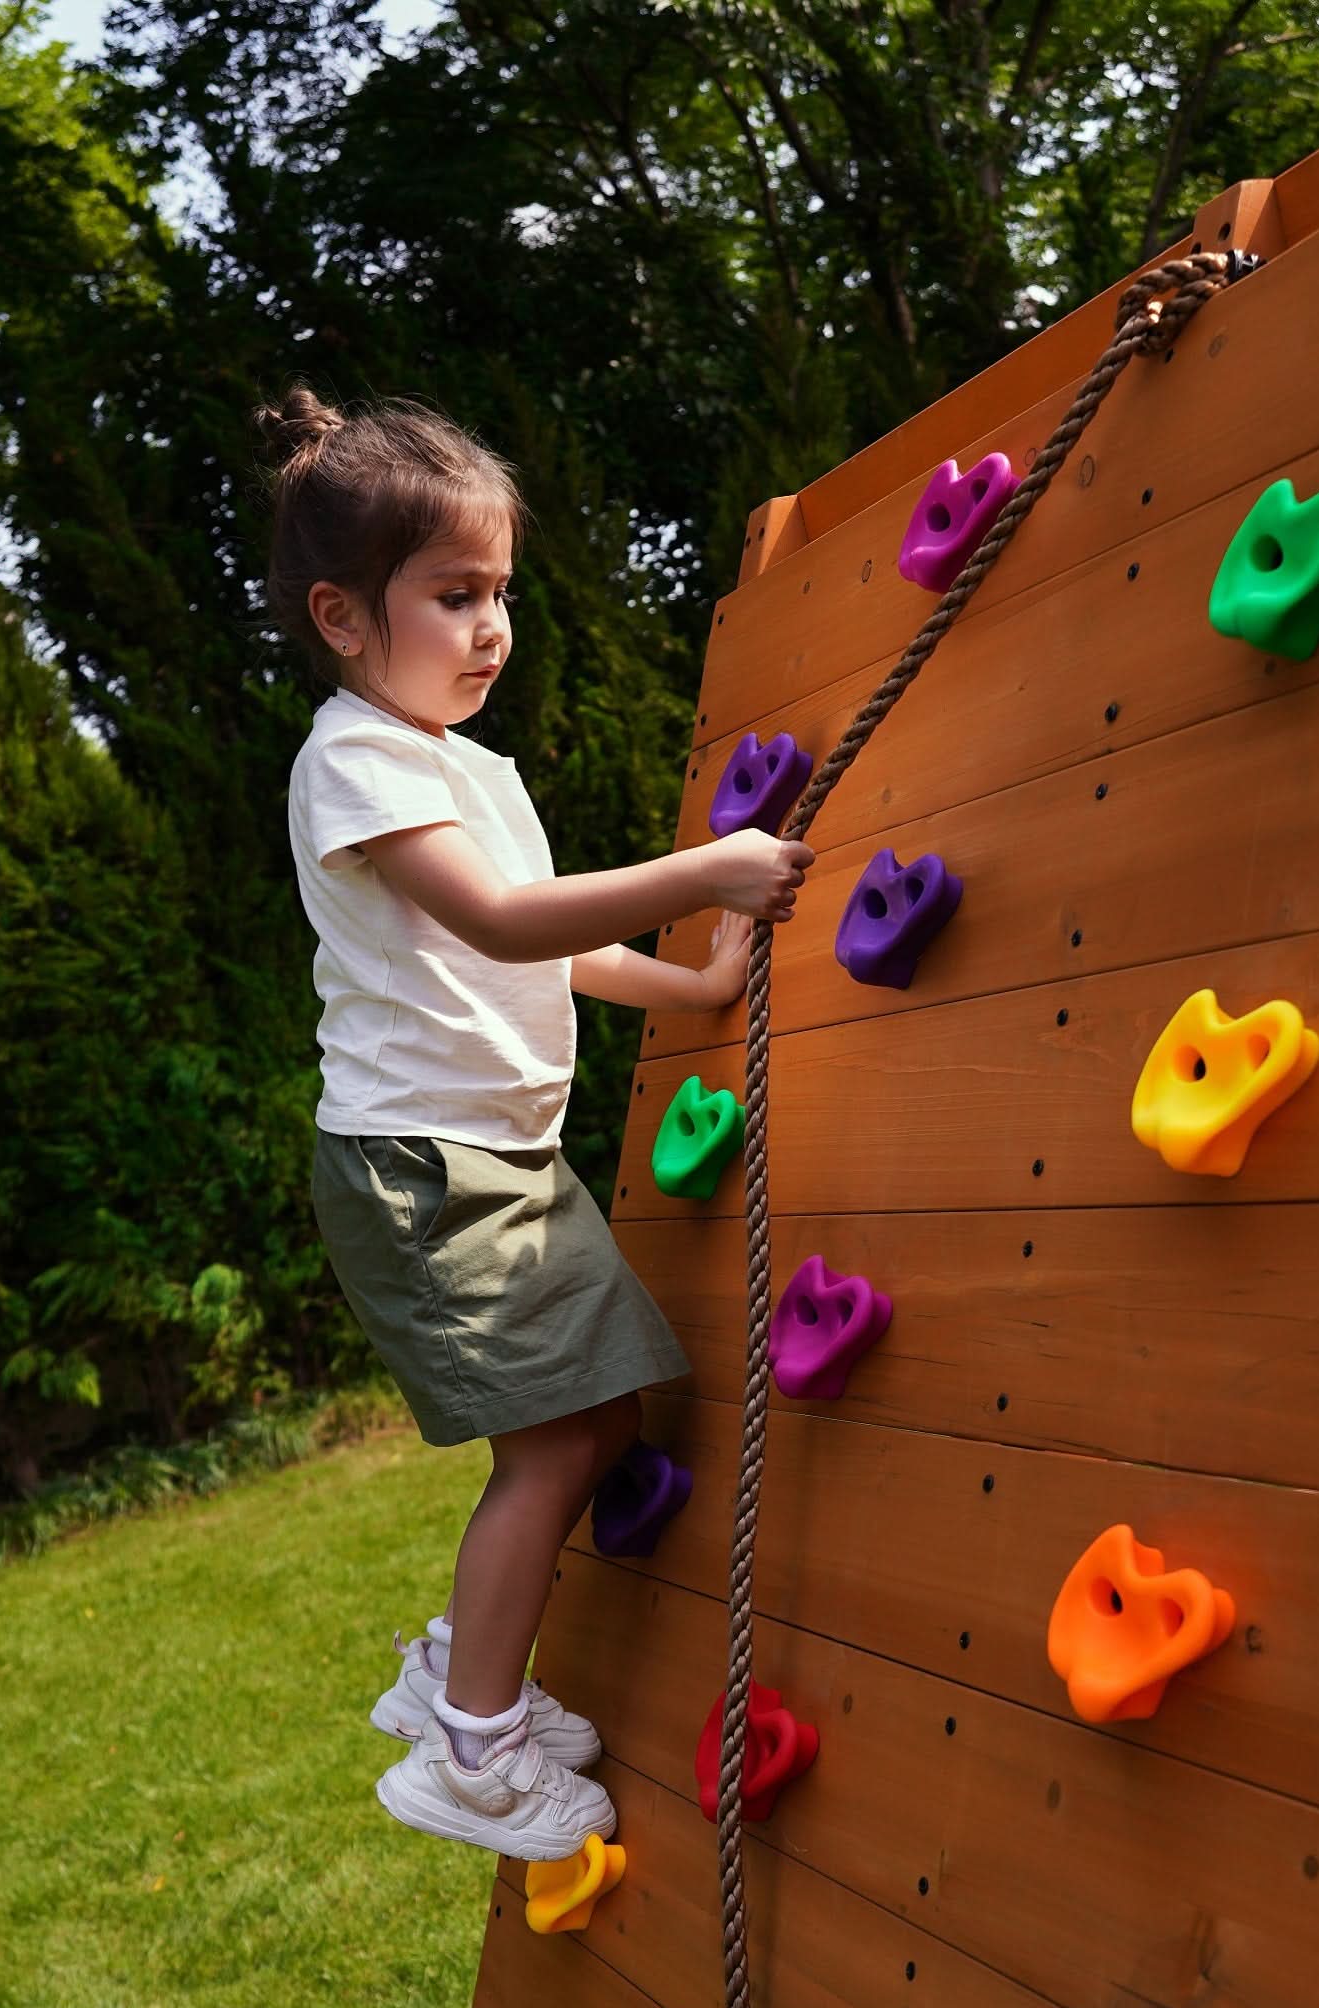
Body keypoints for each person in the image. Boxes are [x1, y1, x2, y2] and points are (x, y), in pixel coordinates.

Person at [260, 384, 814, 1859]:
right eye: (454, 595)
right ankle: (473, 1752)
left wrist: (685, 980)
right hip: (425, 1174)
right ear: (341, 616)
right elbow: (505, 920)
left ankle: (462, 1666)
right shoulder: (357, 764)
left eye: (501, 592)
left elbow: (552, 947)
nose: (492, 626)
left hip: (493, 1158)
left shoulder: (463, 768)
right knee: (554, 1452)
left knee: (603, 1413)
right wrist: (704, 873)